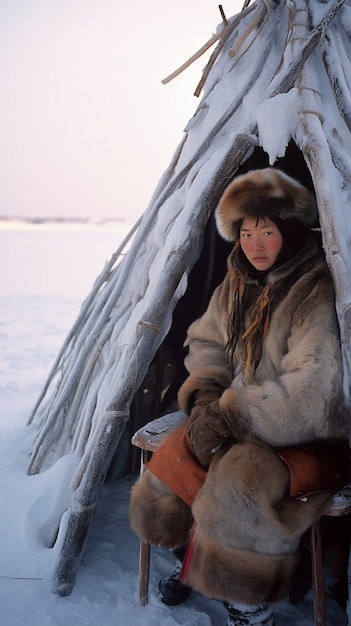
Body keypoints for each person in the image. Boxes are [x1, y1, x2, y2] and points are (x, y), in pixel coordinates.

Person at [129, 168, 349, 626]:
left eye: (266, 231)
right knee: (179, 453)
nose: (255, 244)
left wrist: (231, 415)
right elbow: (207, 343)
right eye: (246, 232)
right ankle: (192, 557)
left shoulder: (314, 289)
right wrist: (208, 396)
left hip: (307, 436)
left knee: (239, 480)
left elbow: (313, 390)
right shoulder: (236, 284)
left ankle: (248, 601)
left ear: (288, 231)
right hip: (245, 420)